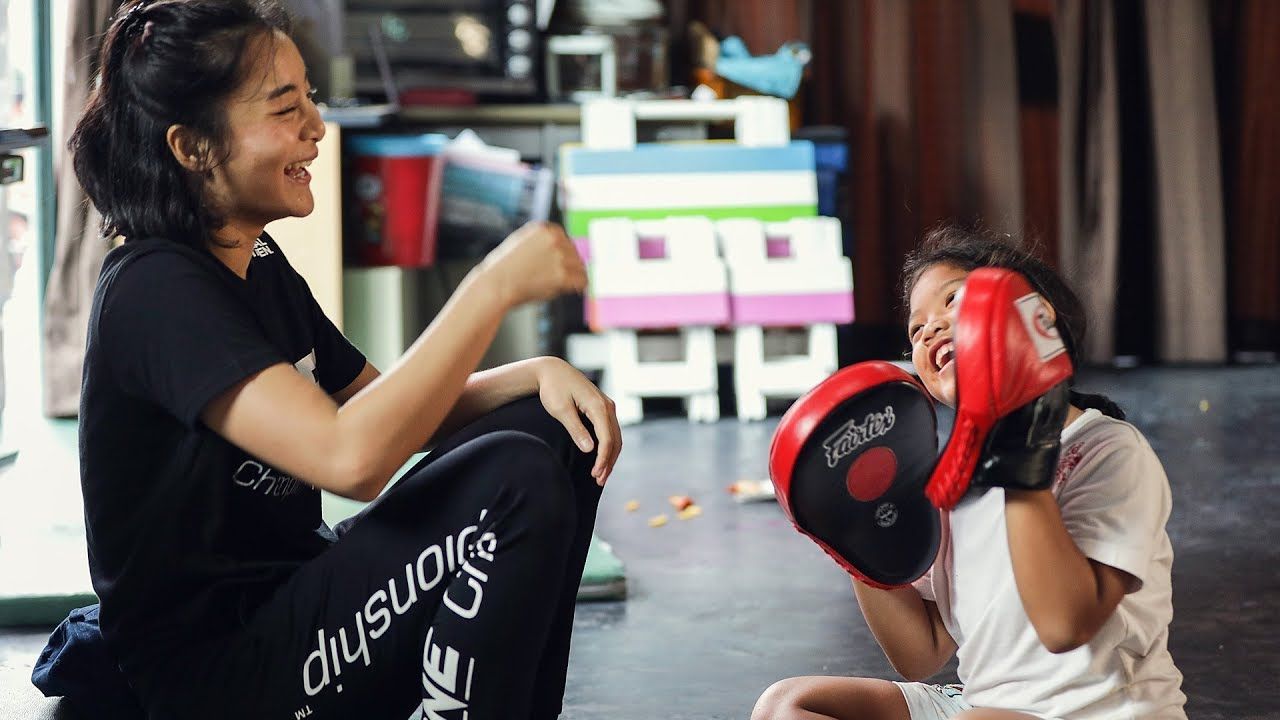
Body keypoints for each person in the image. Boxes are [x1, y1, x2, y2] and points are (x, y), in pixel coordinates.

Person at [68, 1, 621, 718]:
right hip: (214, 676)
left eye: (311, 101)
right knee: (513, 479)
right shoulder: (154, 291)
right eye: (284, 108)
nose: (316, 128)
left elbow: (388, 411)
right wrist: (491, 287)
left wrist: (533, 375)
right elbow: (352, 459)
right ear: (193, 147)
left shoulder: (257, 263)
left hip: (296, 598)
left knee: (552, 433)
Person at [753, 226, 1186, 720]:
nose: (931, 329)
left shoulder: (1107, 450)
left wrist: (1020, 444)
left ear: (1033, 316)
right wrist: (860, 535)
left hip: (1098, 712)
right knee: (786, 707)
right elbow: (922, 653)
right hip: (986, 707)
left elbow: (1065, 624)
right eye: (916, 330)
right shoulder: (947, 483)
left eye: (953, 300)